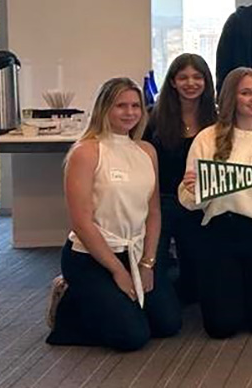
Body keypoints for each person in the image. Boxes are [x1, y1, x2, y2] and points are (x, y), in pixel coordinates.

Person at [45, 78, 181, 351]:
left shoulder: (146, 151)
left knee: (168, 325)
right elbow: (81, 222)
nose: (130, 112)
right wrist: (118, 271)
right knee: (133, 337)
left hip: (134, 253)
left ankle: (107, 305)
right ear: (104, 108)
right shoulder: (86, 151)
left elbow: (153, 212)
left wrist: (147, 264)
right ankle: (68, 307)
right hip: (91, 257)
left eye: (135, 106)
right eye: (121, 106)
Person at [178, 67, 252, 339]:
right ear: (232, 97)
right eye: (246, 93)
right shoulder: (207, 138)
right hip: (220, 232)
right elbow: (189, 201)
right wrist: (197, 190)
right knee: (221, 327)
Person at [144, 54, 216, 303]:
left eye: (197, 77)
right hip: (161, 203)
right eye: (183, 77)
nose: (190, 83)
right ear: (173, 82)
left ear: (206, 81)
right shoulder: (154, 117)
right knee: (156, 271)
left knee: (195, 284)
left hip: (198, 203)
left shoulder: (216, 121)